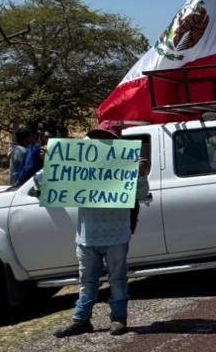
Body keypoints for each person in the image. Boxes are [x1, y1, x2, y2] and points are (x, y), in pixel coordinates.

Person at [53, 129, 150, 338]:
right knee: (87, 280)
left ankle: (118, 319)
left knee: (117, 279)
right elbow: (49, 185)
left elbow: (141, 194)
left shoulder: (125, 165)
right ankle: (81, 320)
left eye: (103, 139)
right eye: (96, 139)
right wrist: (52, 163)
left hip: (116, 234)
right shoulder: (80, 164)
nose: (98, 143)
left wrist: (141, 174)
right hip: (87, 236)